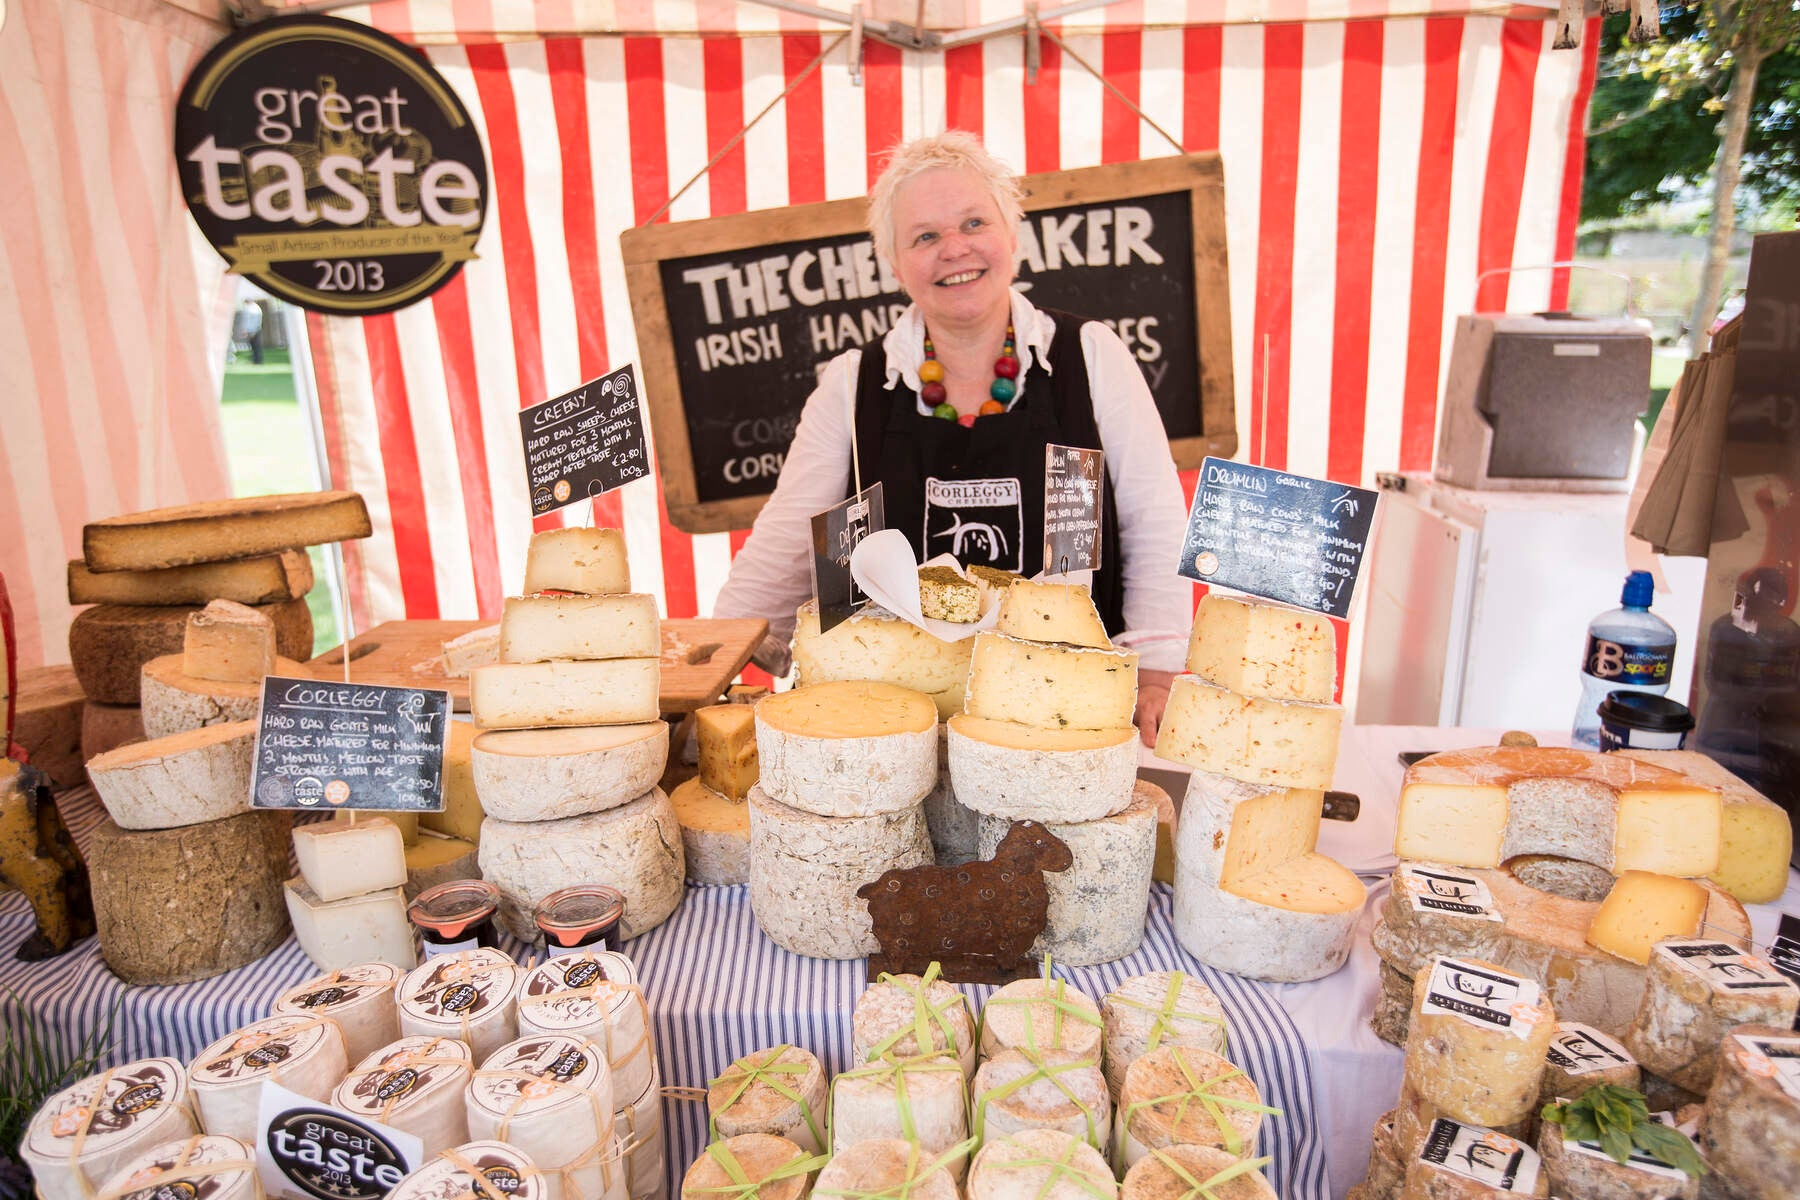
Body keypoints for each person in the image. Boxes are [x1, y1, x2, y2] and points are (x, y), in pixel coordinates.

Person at [712, 131, 1192, 744]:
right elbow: (788, 538)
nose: (955, 249)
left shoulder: (1087, 356)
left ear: (1012, 234)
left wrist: (1157, 669)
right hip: (902, 716)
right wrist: (726, 648)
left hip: (1067, 708)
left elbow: (1153, 521)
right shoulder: (854, 382)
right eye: (925, 236)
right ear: (894, 263)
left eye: (973, 222)